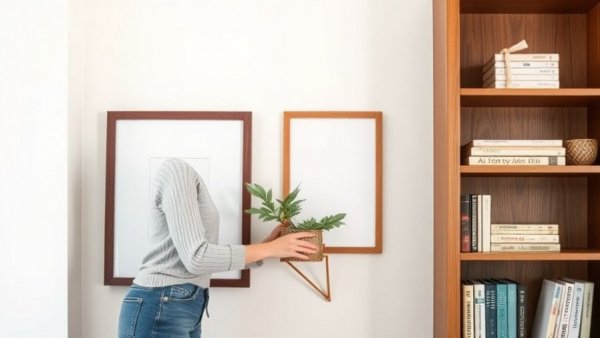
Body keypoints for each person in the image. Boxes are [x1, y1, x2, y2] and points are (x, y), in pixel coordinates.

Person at [117, 158, 318, 338]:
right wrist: (272, 249)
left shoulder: (189, 179)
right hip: (161, 305)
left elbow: (197, 255)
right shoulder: (176, 171)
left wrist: (266, 246)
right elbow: (196, 258)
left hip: (180, 305)